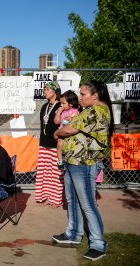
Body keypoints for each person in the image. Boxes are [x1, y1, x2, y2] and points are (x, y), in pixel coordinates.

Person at [52, 80, 114, 261]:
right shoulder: (88, 110)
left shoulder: (98, 111)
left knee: (88, 204)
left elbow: (69, 129)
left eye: (83, 94)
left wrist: (58, 133)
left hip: (84, 163)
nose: (79, 98)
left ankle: (97, 243)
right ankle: (73, 233)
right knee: (72, 200)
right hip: (73, 161)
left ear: (95, 95)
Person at [34, 81, 64, 208]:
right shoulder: (44, 106)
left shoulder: (60, 107)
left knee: (55, 173)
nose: (45, 91)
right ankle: (46, 196)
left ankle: (56, 199)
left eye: (47, 89)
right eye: (44, 89)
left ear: (55, 92)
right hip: (44, 143)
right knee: (45, 172)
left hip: (55, 145)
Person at [53, 90, 81, 170]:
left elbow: (78, 120)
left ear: (71, 104)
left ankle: (68, 161)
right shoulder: (60, 112)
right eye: (60, 103)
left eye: (63, 103)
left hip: (71, 133)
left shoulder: (75, 112)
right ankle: (60, 161)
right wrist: (58, 113)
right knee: (59, 144)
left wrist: (71, 118)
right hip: (62, 132)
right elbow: (56, 122)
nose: (61, 105)